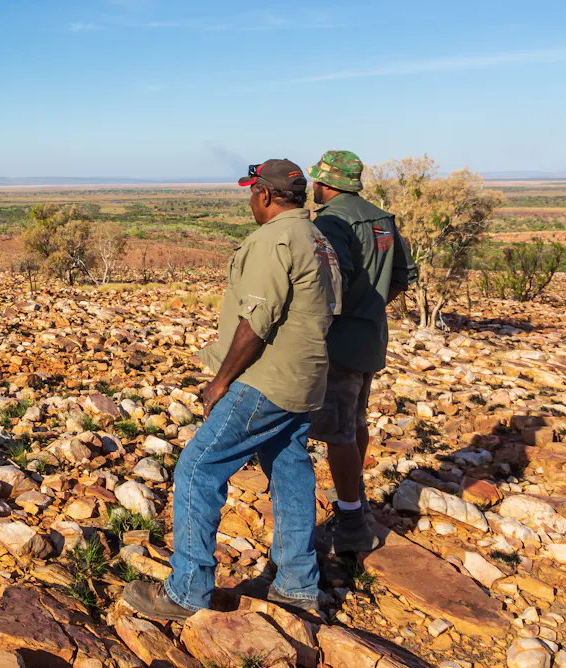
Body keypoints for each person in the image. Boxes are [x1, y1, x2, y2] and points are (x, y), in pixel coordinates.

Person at [124, 159, 341, 620]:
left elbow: (256, 321)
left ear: (264, 194)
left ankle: (186, 592)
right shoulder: (318, 239)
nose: (249, 201)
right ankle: (297, 585)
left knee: (198, 470)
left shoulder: (272, 239)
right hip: (306, 378)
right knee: (290, 472)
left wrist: (219, 381)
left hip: (265, 379)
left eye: (251, 193)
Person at [306, 150, 418, 555]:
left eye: (316, 179)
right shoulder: (381, 218)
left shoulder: (333, 221)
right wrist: (372, 307)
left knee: (337, 430)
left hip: (339, 341)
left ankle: (351, 520)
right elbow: (404, 276)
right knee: (355, 422)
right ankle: (353, 499)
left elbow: (331, 280)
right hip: (370, 337)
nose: (312, 186)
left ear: (327, 182)